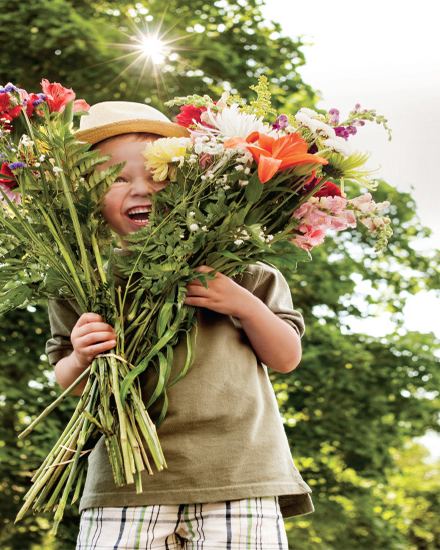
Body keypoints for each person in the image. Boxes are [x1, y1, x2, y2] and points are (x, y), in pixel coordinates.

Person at [46, 102, 313, 549]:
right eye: (117, 178)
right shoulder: (80, 281)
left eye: (158, 175)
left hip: (238, 471)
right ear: (86, 198)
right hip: (126, 478)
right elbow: (69, 382)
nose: (141, 190)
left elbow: (287, 357)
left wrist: (244, 305)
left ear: (192, 183)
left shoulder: (244, 271)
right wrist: (80, 355)